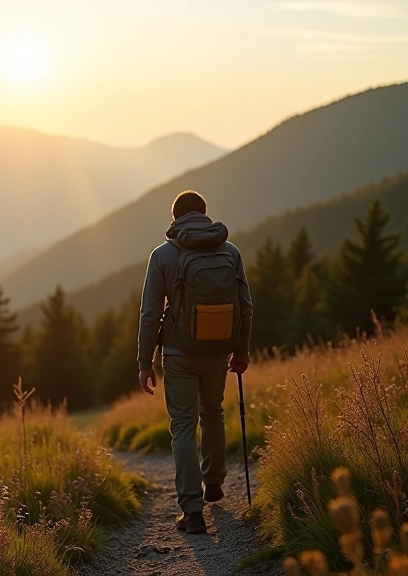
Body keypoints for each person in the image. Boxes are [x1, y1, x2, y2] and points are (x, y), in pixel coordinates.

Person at [136, 190, 253, 535]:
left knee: (183, 426)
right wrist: (242, 350)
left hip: (179, 354)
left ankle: (192, 510)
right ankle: (214, 482)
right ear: (205, 215)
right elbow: (246, 305)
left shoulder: (162, 255)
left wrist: (144, 362)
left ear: (174, 219)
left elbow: (150, 313)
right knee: (213, 412)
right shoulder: (230, 251)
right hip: (219, 351)